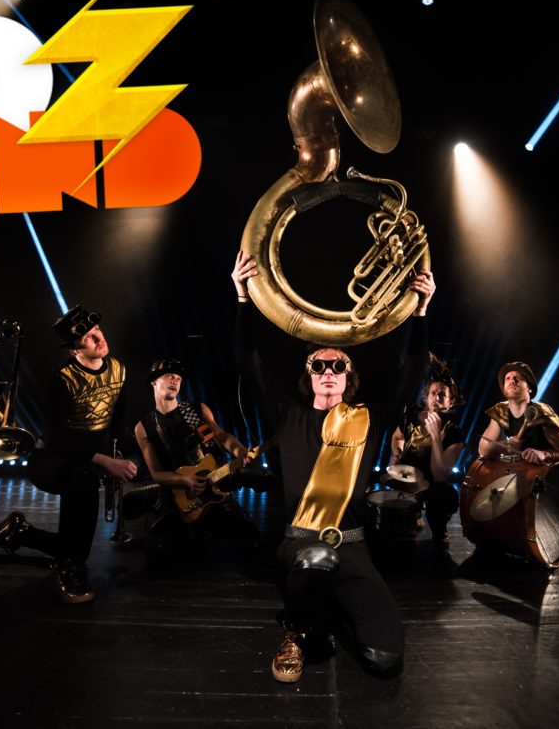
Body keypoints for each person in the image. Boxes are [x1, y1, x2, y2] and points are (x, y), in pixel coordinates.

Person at [231, 250, 434, 684]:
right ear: (309, 374)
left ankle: (328, 611)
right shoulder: (287, 415)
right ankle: (296, 628)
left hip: (354, 548)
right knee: (316, 558)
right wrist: (244, 297)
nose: (328, 370)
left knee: (385, 660)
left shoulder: (369, 418)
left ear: (348, 376)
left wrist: (420, 311)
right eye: (319, 365)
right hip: (300, 544)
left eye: (338, 365)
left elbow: (414, 372)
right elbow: (246, 357)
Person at [0, 305, 139, 603]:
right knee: (82, 486)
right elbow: (55, 440)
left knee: (78, 529)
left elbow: (118, 422)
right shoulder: (61, 379)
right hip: (50, 460)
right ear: (75, 349)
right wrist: (104, 461)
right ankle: (67, 567)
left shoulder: (119, 368)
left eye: (98, 331)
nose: (99, 338)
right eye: (89, 338)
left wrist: (122, 456)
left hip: (87, 459)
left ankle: (22, 533)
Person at [133, 358, 260, 561]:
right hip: (176, 494)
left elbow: (219, 436)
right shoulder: (143, 426)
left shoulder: (193, 411)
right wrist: (184, 480)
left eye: (178, 377)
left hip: (211, 485)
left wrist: (239, 450)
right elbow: (156, 473)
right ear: (153, 382)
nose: (175, 380)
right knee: (161, 555)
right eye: (169, 375)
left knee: (249, 537)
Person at [387, 354, 465, 549]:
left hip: (432, 485)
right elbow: (396, 437)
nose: (436, 398)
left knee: (446, 495)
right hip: (406, 478)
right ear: (426, 396)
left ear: (451, 402)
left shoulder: (454, 431)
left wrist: (436, 437)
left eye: (442, 395)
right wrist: (396, 454)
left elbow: (440, 475)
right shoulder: (411, 415)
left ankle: (439, 528)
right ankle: (412, 514)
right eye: (433, 393)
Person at [477, 361, 559, 466]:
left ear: (530, 388)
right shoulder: (501, 412)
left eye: (519, 378)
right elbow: (483, 450)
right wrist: (506, 444)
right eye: (507, 378)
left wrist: (545, 454)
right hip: (517, 472)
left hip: (544, 474)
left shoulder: (541, 415)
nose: (512, 381)